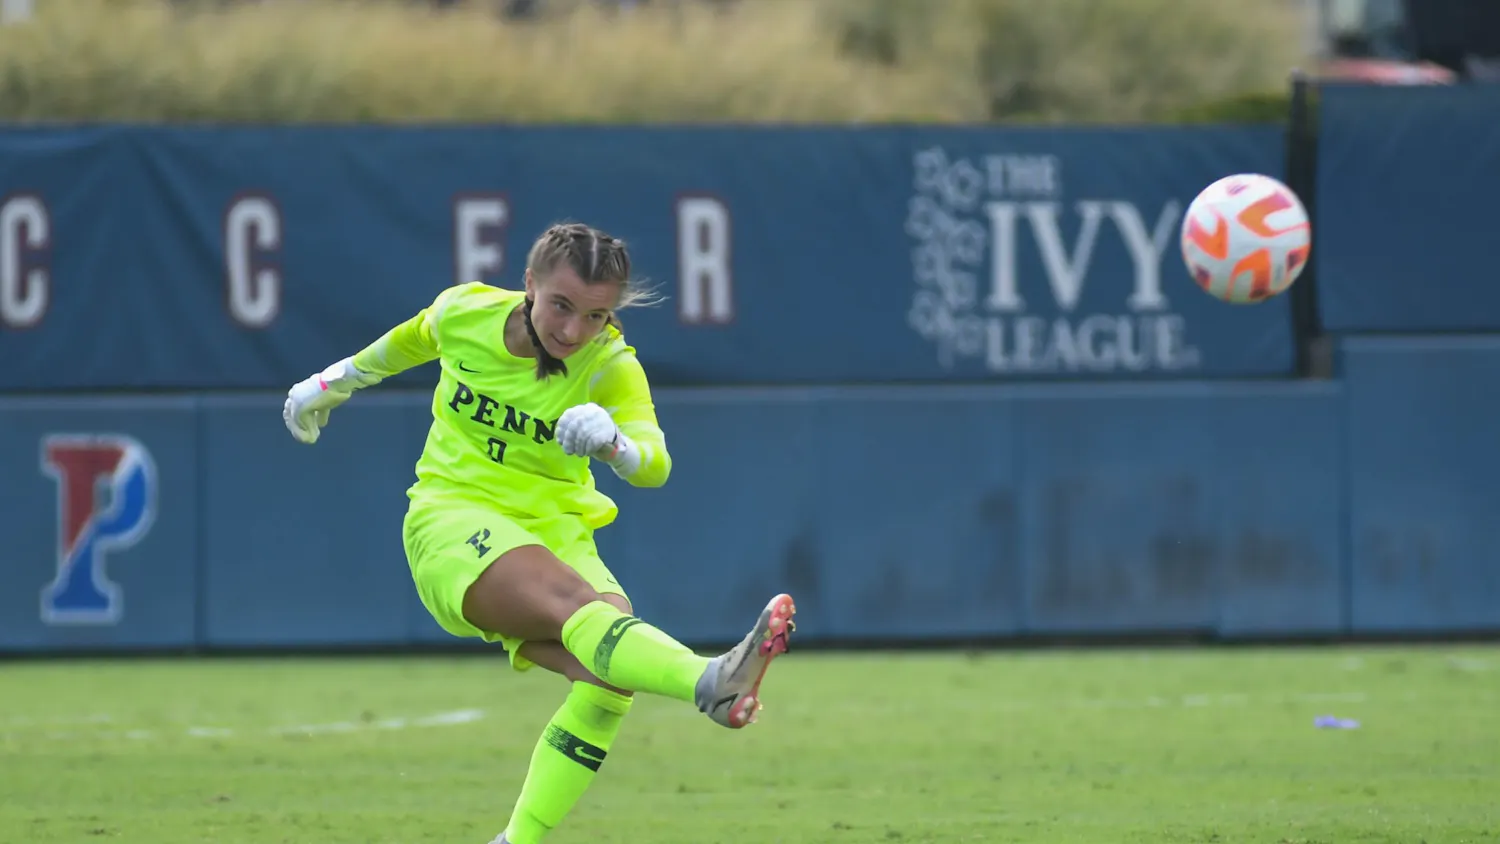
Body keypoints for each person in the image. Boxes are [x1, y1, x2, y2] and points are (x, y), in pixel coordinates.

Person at [281, 222, 796, 844]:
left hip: (556, 535)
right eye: (561, 306)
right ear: (528, 284)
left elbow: (656, 465)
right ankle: (708, 681)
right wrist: (327, 386)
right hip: (452, 519)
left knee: (610, 675)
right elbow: (407, 343)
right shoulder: (466, 312)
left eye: (596, 316)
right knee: (585, 613)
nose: (574, 331)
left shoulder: (609, 365)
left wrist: (615, 445)